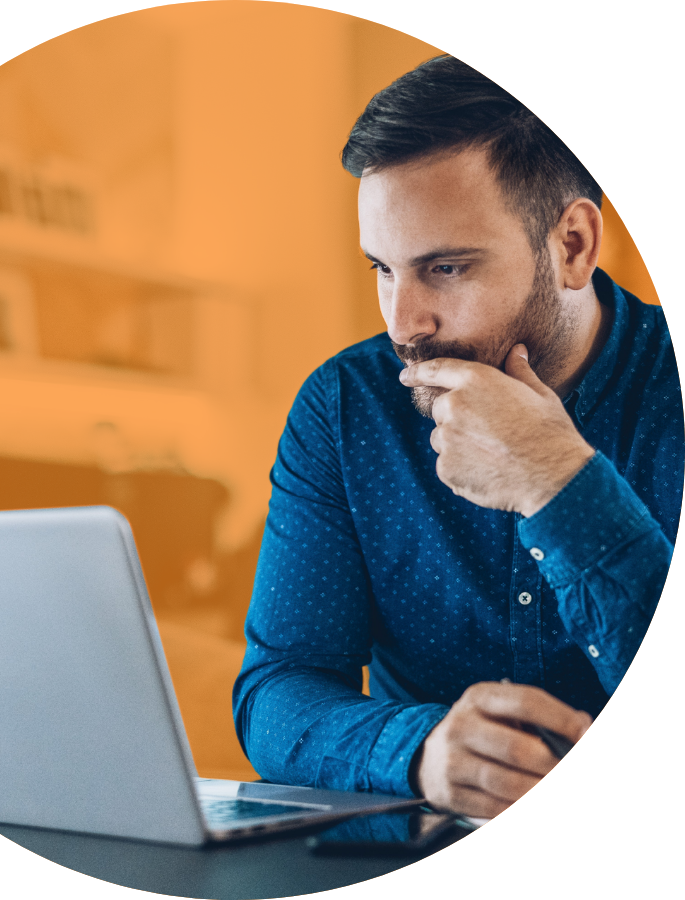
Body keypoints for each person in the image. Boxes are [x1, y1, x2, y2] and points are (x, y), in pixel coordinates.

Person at [232, 55, 682, 819]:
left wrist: (557, 482)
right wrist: (421, 751)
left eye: (445, 267)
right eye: (383, 269)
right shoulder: (346, 409)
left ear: (572, 245)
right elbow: (280, 689)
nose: (404, 324)